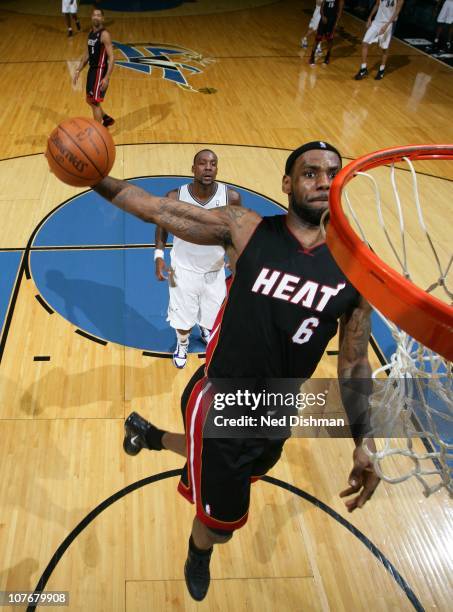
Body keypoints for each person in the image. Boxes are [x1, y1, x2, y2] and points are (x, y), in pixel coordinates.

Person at [91, 141, 381, 602]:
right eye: (310, 173)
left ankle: (147, 435)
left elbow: (354, 363)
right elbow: (154, 210)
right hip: (222, 399)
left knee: (249, 468)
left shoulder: (357, 268)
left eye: (332, 173)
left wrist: (364, 442)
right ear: (287, 184)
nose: (323, 181)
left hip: (279, 407)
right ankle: (197, 553)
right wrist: (91, 175)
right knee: (219, 526)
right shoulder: (243, 229)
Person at [154, 149, 241, 369]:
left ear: (217, 168)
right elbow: (162, 225)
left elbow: (237, 228)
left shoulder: (231, 197)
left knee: (212, 317)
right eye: (202, 163)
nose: (208, 167)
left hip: (215, 270)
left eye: (213, 163)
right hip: (179, 270)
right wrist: (158, 255)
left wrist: (234, 252)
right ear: (193, 169)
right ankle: (182, 343)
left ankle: (203, 328)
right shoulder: (175, 197)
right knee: (181, 318)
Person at [73, 8, 115, 127]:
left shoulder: (104, 35)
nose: (96, 17)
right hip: (92, 70)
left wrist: (106, 78)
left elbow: (112, 57)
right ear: (91, 17)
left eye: (98, 15)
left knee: (95, 102)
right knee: (89, 99)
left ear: (102, 18)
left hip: (100, 71)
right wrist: (78, 70)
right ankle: (106, 118)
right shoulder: (91, 33)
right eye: (94, 15)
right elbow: (87, 54)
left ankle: (98, 131)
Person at [354, 0, 404, 80]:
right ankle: (363, 68)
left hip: (388, 24)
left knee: (384, 48)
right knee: (364, 42)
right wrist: (370, 17)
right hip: (376, 22)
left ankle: (381, 70)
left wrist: (386, 25)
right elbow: (377, 4)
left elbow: (397, 11)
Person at [309, 0, 344, 65]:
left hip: (332, 21)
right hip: (324, 19)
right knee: (318, 38)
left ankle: (327, 57)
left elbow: (340, 12)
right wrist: (322, 16)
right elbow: (322, 6)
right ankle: (312, 57)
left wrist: (336, 23)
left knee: (330, 39)